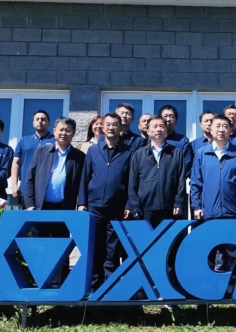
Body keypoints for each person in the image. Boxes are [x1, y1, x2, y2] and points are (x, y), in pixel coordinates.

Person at [191, 115, 236, 276]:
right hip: (209, 212)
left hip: (233, 211)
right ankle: (209, 288)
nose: (221, 130)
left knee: (232, 251)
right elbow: (196, 183)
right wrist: (196, 206)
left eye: (225, 126)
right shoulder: (202, 153)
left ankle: (231, 287)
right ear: (210, 130)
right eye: (217, 126)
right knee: (210, 250)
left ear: (231, 130)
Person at [77, 113, 133, 281]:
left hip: (117, 207)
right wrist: (82, 202)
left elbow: (131, 181)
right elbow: (85, 177)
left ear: (120, 128)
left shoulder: (128, 152)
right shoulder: (93, 150)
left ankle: (111, 283)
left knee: (113, 248)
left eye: (114, 124)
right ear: (102, 127)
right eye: (107, 124)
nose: (110, 128)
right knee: (95, 245)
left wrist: (129, 204)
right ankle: (95, 284)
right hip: (94, 206)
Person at [126, 116, 186, 225]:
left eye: (162, 126)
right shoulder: (139, 154)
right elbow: (132, 182)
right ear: (148, 131)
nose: (158, 129)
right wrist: (135, 206)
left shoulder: (176, 152)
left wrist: (179, 203)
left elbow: (181, 180)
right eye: (155, 126)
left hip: (170, 207)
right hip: (145, 207)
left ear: (166, 131)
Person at [23, 116, 85, 213]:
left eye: (68, 131)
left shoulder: (79, 157)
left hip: (65, 209)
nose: (64, 133)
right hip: (40, 208)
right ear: (54, 131)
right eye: (61, 130)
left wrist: (81, 204)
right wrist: (29, 204)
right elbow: (30, 178)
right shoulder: (41, 152)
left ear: (73, 133)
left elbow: (82, 183)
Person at [11, 110, 55, 205]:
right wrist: (14, 185)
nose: (40, 121)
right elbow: (16, 163)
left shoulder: (55, 141)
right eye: (37, 119)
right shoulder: (24, 141)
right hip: (26, 188)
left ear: (48, 123)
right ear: (33, 123)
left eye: (43, 119)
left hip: (48, 189)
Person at [158, 104, 192, 176]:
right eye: (165, 116)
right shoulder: (152, 139)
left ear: (176, 120)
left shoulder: (182, 140)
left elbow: (186, 164)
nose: (168, 119)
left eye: (172, 116)